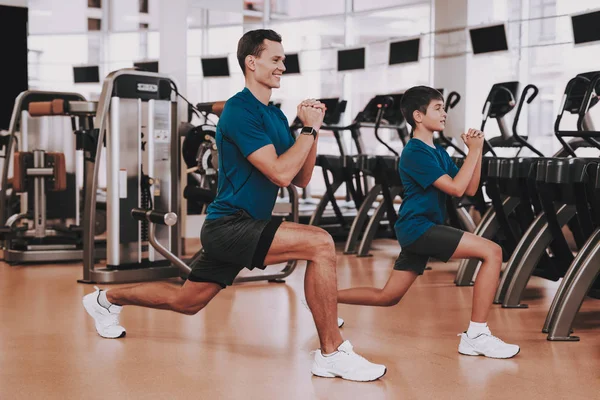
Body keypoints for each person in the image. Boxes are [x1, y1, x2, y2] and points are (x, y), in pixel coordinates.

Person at [82, 29, 386, 382]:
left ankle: (105, 300)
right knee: (319, 243)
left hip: (243, 226)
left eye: (283, 60)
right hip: (230, 226)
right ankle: (332, 352)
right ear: (251, 62)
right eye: (275, 59)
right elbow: (279, 174)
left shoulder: (272, 116)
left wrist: (311, 130)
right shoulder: (239, 112)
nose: (282, 67)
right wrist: (306, 131)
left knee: (188, 302)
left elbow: (301, 177)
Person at [337, 86, 520, 359]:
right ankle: (477, 335)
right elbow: (456, 190)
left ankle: (323, 297)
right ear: (418, 116)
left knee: (388, 296)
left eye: (444, 107)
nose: (444, 113)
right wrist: (473, 152)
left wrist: (477, 151)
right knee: (492, 251)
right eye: (438, 108)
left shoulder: (438, 152)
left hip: (419, 228)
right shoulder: (415, 152)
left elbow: (470, 188)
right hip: (420, 227)